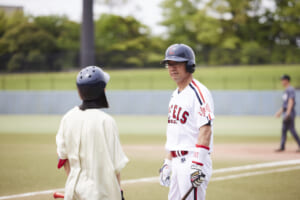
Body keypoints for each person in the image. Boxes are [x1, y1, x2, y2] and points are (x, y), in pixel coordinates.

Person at [56, 66, 128, 200]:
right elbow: (116, 165)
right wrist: (119, 193)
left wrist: (76, 186)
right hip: (102, 194)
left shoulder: (68, 117)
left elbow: (63, 157)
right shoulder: (106, 121)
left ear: (79, 92)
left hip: (73, 192)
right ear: (103, 91)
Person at [159, 44, 214, 200]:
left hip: (192, 160)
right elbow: (175, 133)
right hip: (176, 161)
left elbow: (205, 129)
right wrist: (168, 162)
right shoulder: (175, 95)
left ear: (189, 65)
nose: (172, 68)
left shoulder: (199, 92)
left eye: (177, 63)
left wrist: (198, 164)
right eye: (169, 64)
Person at [275, 74, 300, 152]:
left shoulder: (290, 89)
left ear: (287, 80)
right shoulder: (286, 90)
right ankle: (282, 146)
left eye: (283, 80)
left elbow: (291, 101)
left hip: (290, 112)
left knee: (292, 129)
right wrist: (279, 112)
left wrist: (288, 113)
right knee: (284, 129)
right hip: (286, 111)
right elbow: (285, 104)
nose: (282, 81)